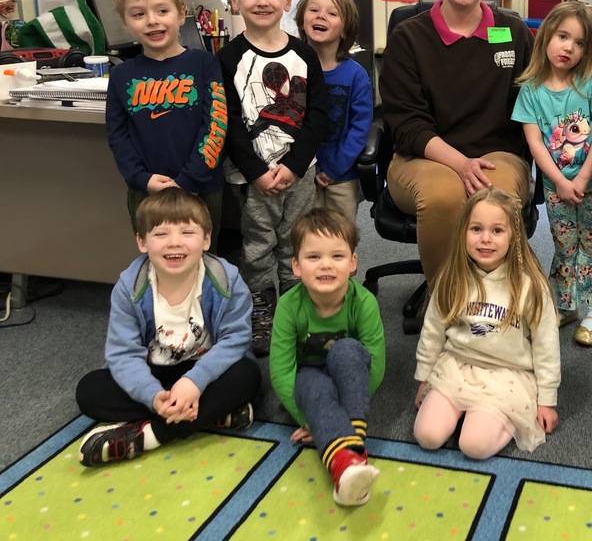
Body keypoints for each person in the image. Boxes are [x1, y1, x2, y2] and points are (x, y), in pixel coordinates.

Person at [378, 0, 534, 295]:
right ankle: (446, 303)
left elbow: (541, 98)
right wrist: (460, 164)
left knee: (495, 201)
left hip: (498, 153)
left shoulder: (512, 33)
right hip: (422, 156)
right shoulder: (409, 37)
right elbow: (408, 125)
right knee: (445, 194)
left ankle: (496, 302)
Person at [76, 188, 261, 467]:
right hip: (155, 375)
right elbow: (122, 354)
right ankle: (213, 414)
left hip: (205, 371)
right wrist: (153, 397)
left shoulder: (226, 280)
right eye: (161, 234)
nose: (175, 243)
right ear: (142, 241)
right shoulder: (130, 287)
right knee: (89, 392)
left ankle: (151, 435)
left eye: (187, 233)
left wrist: (193, 383)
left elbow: (236, 340)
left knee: (248, 376)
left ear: (206, 239)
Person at [218, 0, 330, 357]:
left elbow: (317, 115)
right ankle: (262, 308)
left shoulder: (304, 55)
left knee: (294, 240)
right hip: (252, 178)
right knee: (258, 243)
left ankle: (296, 307)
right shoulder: (228, 59)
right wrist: (256, 171)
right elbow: (227, 121)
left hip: (298, 172)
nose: (261, 1)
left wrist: (295, 165)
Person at [413, 188, 560, 458]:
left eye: (497, 231)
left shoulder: (529, 285)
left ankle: (494, 417)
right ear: (463, 232)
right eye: (476, 229)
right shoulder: (453, 276)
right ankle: (463, 411)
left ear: (513, 236)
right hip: (457, 367)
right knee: (427, 436)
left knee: (474, 446)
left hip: (507, 375)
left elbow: (546, 346)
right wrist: (424, 377)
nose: (485, 239)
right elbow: (432, 331)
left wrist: (547, 400)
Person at [511, 1, 592, 346]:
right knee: (564, 245)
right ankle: (567, 304)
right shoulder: (531, 90)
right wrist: (559, 181)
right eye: (563, 36)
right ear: (546, 38)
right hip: (556, 187)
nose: (569, 47)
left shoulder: (591, 84)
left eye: (580, 42)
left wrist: (582, 179)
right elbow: (535, 143)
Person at [269, 207, 385, 506]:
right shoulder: (288, 305)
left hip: (351, 376)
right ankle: (347, 465)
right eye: (313, 257)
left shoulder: (364, 302)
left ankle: (349, 436)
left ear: (353, 263)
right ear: (296, 266)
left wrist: (346, 415)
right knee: (313, 386)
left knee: (347, 350)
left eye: (337, 256)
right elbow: (282, 371)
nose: (326, 266)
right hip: (311, 377)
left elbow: (376, 364)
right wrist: (308, 420)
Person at [105, 0, 227, 251]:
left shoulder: (204, 63)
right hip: (146, 190)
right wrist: (140, 178)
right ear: (125, 22)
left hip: (201, 186)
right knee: (157, 258)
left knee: (203, 256)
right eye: (138, 14)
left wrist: (189, 179)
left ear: (181, 13)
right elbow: (117, 134)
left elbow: (216, 124)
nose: (152, 21)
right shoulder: (122, 75)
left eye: (162, 10)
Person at [296, 0, 373, 222]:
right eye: (314, 9)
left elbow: (360, 129)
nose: (321, 16)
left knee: (341, 234)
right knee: (303, 235)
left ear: (345, 30)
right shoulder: (293, 68)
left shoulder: (356, 76)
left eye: (332, 13)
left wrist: (335, 168)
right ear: (302, 22)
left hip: (341, 175)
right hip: (300, 172)